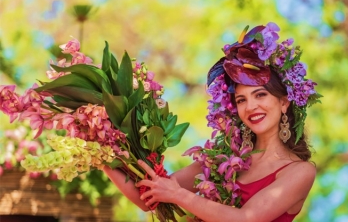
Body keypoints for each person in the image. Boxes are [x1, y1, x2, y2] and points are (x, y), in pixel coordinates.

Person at [103, 22, 320, 222]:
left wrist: (178, 195)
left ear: (284, 103)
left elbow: (246, 219)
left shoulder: (299, 172)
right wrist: (100, 150)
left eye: (260, 95)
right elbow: (148, 198)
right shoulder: (222, 157)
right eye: (241, 100)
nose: (251, 106)